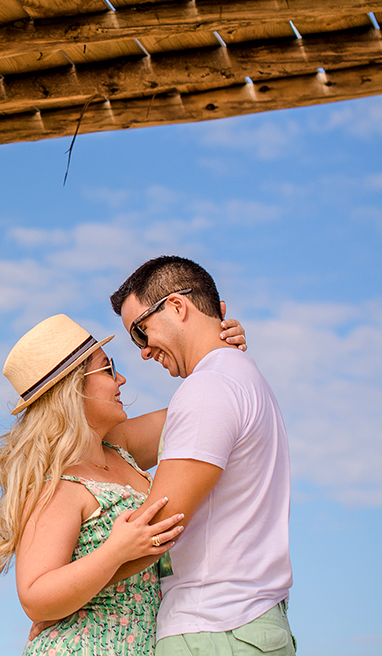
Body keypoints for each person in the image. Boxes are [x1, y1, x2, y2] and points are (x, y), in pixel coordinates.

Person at [0, 311, 246, 655]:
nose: (120, 379)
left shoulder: (119, 447)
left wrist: (223, 355)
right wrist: (114, 552)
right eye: (107, 369)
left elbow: (203, 407)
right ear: (74, 388)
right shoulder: (58, 482)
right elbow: (35, 596)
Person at [110, 256, 294, 655]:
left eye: (141, 332)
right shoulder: (238, 379)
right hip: (244, 626)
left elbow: (157, 527)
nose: (142, 352)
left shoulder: (210, 389)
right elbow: (117, 444)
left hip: (213, 630)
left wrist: (58, 589)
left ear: (177, 307)